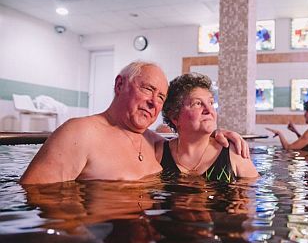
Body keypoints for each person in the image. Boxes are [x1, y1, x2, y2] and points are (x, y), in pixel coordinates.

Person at [20, 62, 249, 184]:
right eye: (147, 89)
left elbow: (188, 140)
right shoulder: (79, 133)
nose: (153, 102)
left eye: (160, 97)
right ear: (120, 85)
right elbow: (35, 199)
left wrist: (215, 133)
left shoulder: (155, 145)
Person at [157, 73, 259, 182]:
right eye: (197, 103)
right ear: (174, 117)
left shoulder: (234, 154)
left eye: (211, 102)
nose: (208, 110)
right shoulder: (159, 153)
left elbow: (253, 193)